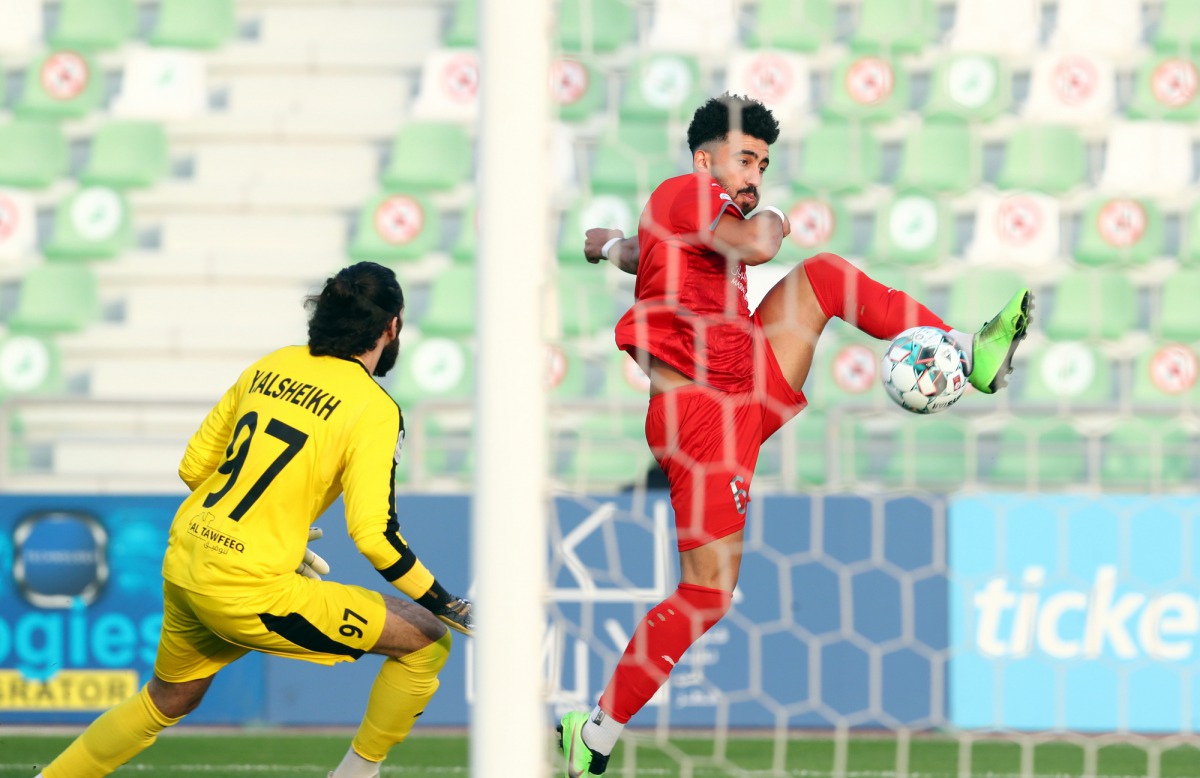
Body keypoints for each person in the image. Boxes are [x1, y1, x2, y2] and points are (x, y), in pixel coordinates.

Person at [558, 95, 1030, 776]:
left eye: (763, 165)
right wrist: (776, 218)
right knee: (707, 594)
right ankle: (596, 732)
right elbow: (758, 244)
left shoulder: (687, 214)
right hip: (702, 417)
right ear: (704, 161)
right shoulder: (688, 193)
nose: (755, 176)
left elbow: (647, 251)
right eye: (745, 160)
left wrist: (608, 247)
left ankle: (967, 350)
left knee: (825, 278)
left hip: (743, 373)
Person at [35, 261, 474, 778]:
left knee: (169, 697)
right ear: (391, 326)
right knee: (428, 639)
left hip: (188, 557)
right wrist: (448, 604)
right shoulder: (374, 407)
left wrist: (269, 525)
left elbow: (194, 467)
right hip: (246, 587)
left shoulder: (273, 364)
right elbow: (374, 536)